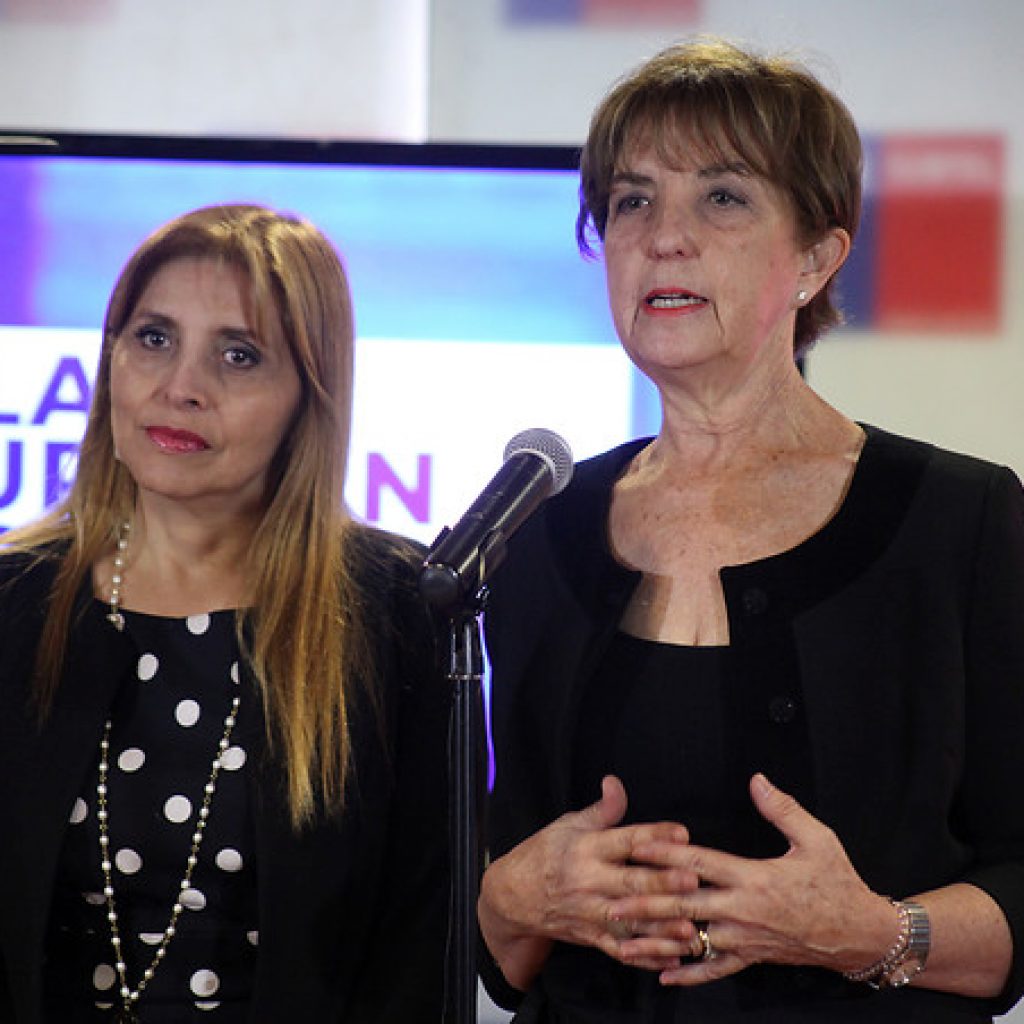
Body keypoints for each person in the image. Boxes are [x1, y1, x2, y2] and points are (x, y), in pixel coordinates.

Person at [477, 38, 1024, 1023]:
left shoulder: (958, 522)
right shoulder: (539, 529)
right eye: (631, 201)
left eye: (721, 197)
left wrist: (873, 932)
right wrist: (510, 898)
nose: (664, 238)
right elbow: (497, 947)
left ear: (817, 256)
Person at [0, 204, 452, 1022]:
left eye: (238, 355)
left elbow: (422, 943)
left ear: (308, 396)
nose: (181, 388)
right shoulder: (14, 600)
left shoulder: (394, 610)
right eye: (153, 338)